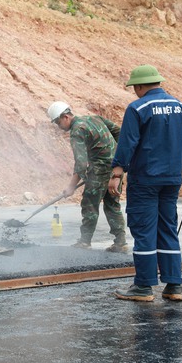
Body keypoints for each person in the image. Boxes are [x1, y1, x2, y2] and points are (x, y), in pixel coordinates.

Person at [108, 65, 182, 302]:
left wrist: (116, 173)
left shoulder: (138, 108)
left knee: (144, 230)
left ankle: (143, 287)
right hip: (171, 180)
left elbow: (127, 142)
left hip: (145, 179)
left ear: (139, 86)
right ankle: (174, 285)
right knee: (168, 228)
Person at [47, 101, 127, 252]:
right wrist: (115, 156)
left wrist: (71, 187)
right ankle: (120, 242)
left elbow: (81, 164)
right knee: (112, 204)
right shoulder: (94, 118)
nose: (59, 126)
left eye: (58, 122)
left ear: (65, 117)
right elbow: (119, 132)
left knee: (89, 205)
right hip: (116, 169)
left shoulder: (77, 131)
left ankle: (85, 242)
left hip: (99, 172)